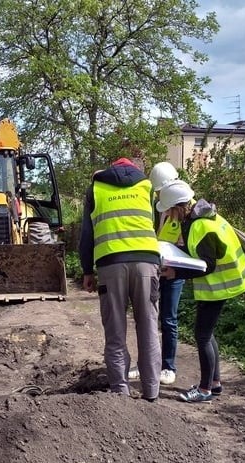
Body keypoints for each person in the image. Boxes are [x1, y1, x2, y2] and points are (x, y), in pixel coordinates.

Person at [156, 180, 245, 403]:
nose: (170, 216)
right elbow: (196, 251)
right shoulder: (201, 216)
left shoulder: (200, 226)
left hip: (222, 284)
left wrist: (176, 273)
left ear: (180, 207)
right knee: (207, 334)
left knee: (202, 336)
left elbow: (206, 265)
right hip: (225, 281)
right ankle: (214, 383)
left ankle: (204, 389)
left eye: (171, 211)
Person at [79, 155, 162, 402]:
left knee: (115, 330)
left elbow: (86, 234)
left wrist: (86, 270)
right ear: (135, 169)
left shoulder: (96, 188)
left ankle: (120, 394)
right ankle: (152, 392)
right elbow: (154, 225)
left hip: (110, 264)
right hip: (146, 263)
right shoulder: (147, 187)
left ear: (110, 168)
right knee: (148, 328)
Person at [128, 161, 184, 386]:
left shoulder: (182, 207)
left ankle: (168, 367)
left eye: (161, 191)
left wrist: (175, 268)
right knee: (147, 316)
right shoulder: (158, 205)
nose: (160, 195)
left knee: (168, 319)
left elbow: (187, 245)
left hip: (174, 271)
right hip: (156, 266)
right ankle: (146, 364)